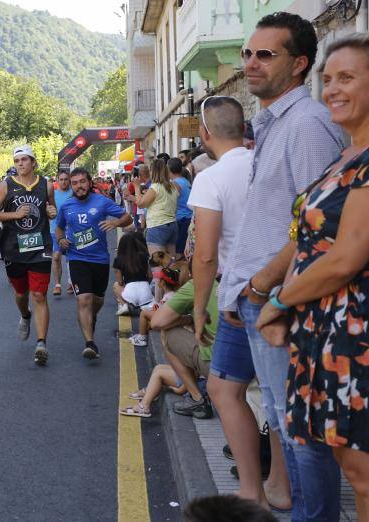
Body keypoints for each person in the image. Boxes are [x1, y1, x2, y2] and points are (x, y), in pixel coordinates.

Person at [221, 12, 344, 520]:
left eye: (265, 54)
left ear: (298, 65)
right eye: (248, 52)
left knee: (300, 428)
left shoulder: (309, 125)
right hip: (259, 297)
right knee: (283, 418)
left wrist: (262, 286)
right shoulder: (276, 122)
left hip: (283, 300)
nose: (250, 62)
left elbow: (323, 225)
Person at [255, 34, 369, 520]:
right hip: (324, 333)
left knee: (364, 474)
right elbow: (307, 242)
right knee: (354, 469)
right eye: (328, 80)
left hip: (355, 336)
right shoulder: (345, 157)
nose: (333, 90)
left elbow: (346, 258)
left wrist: (279, 300)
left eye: (347, 78)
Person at [188, 95, 278, 508]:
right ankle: (279, 484)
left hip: (240, 293)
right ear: (245, 128)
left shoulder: (211, 177)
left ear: (205, 134)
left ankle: (250, 491)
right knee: (275, 393)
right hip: (281, 286)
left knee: (225, 389)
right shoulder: (265, 161)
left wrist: (197, 306)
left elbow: (205, 254)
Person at [0, 145, 57, 366]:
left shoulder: (46, 185)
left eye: (24, 160)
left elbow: (51, 210)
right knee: (21, 293)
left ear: (33, 162)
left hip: (40, 247)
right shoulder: (6, 186)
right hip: (13, 248)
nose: (20, 164)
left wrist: (52, 212)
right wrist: (15, 214)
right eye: (17, 161)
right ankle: (25, 316)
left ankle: (41, 343)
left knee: (39, 295)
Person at [54, 167, 131, 358]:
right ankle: (90, 343)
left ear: (89, 182)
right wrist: (61, 240)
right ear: (71, 186)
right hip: (77, 258)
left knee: (96, 300)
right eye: (75, 183)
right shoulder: (67, 206)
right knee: (83, 299)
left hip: (100, 259)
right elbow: (59, 229)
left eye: (82, 182)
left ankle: (90, 316)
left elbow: (127, 217)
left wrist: (115, 223)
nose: (79, 186)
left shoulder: (102, 201)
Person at [150, 278, 216, 419]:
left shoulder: (199, 283)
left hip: (218, 366)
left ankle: (197, 398)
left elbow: (156, 322)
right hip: (249, 364)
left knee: (168, 332)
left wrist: (190, 319)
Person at [135, 158, 178, 258]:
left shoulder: (155, 187)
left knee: (157, 263)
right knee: (170, 261)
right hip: (172, 225)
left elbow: (140, 204)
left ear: (153, 171)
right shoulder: (172, 186)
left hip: (157, 226)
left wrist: (137, 187)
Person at [128, 267, 179, 348]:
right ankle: (141, 334)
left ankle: (142, 338)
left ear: (163, 282)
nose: (157, 280)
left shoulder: (169, 296)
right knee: (147, 322)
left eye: (159, 279)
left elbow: (164, 311)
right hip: (168, 319)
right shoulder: (171, 294)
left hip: (167, 320)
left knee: (144, 313)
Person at [119, 364, 185, 418]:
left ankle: (143, 407)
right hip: (187, 373)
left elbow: (193, 373)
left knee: (159, 374)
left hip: (189, 382)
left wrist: (181, 389)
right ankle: (150, 392)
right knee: (158, 367)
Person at [112, 232, 152, 315]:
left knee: (116, 285)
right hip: (145, 292)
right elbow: (150, 276)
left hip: (130, 292)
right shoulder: (144, 256)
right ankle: (144, 306)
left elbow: (120, 282)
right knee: (145, 299)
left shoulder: (118, 260)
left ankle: (125, 305)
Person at [50, 171, 72, 296]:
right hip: (55, 230)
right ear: (57, 180)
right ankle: (57, 285)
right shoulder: (53, 195)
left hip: (71, 230)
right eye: (61, 179)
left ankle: (70, 281)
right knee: (56, 257)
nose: (64, 182)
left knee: (70, 257)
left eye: (66, 179)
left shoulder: (74, 194)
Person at [168, 158, 192, 257]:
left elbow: (169, 202)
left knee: (179, 252)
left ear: (169, 169)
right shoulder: (186, 181)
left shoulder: (174, 184)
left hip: (181, 219)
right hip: (188, 218)